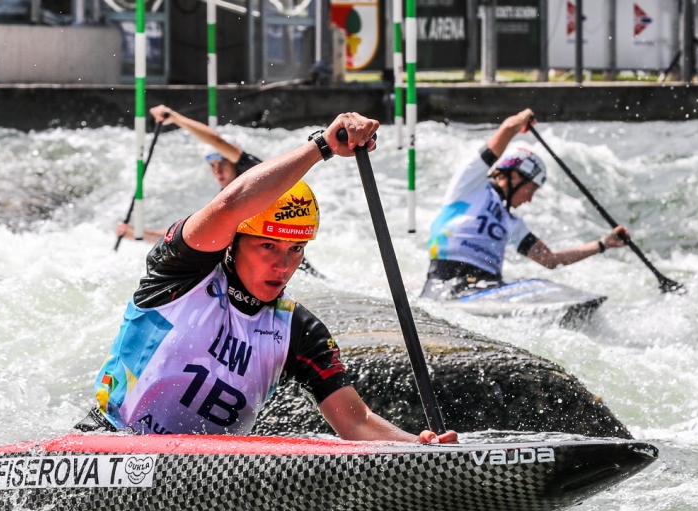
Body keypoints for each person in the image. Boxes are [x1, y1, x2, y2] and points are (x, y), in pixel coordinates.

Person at [78, 112, 457, 445]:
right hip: (110, 444)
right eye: (268, 247)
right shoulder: (180, 271)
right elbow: (228, 205)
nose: (283, 265)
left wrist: (419, 445)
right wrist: (322, 146)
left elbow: (356, 423)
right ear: (233, 242)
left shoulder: (296, 330)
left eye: (295, 250)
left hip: (201, 482)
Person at [421, 108, 631, 300]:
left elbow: (550, 260)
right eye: (530, 189)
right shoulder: (470, 185)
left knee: (541, 285)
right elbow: (508, 128)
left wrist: (603, 244)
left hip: (486, 286)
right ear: (514, 176)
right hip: (444, 282)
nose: (529, 199)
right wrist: (523, 118)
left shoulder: (512, 224)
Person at [115, 105, 264, 243]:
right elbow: (189, 233)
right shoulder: (222, 199)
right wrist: (139, 234)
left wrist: (175, 118)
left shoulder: (250, 168)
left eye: (223, 163)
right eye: (212, 165)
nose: (217, 170)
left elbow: (216, 141)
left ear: (233, 160)